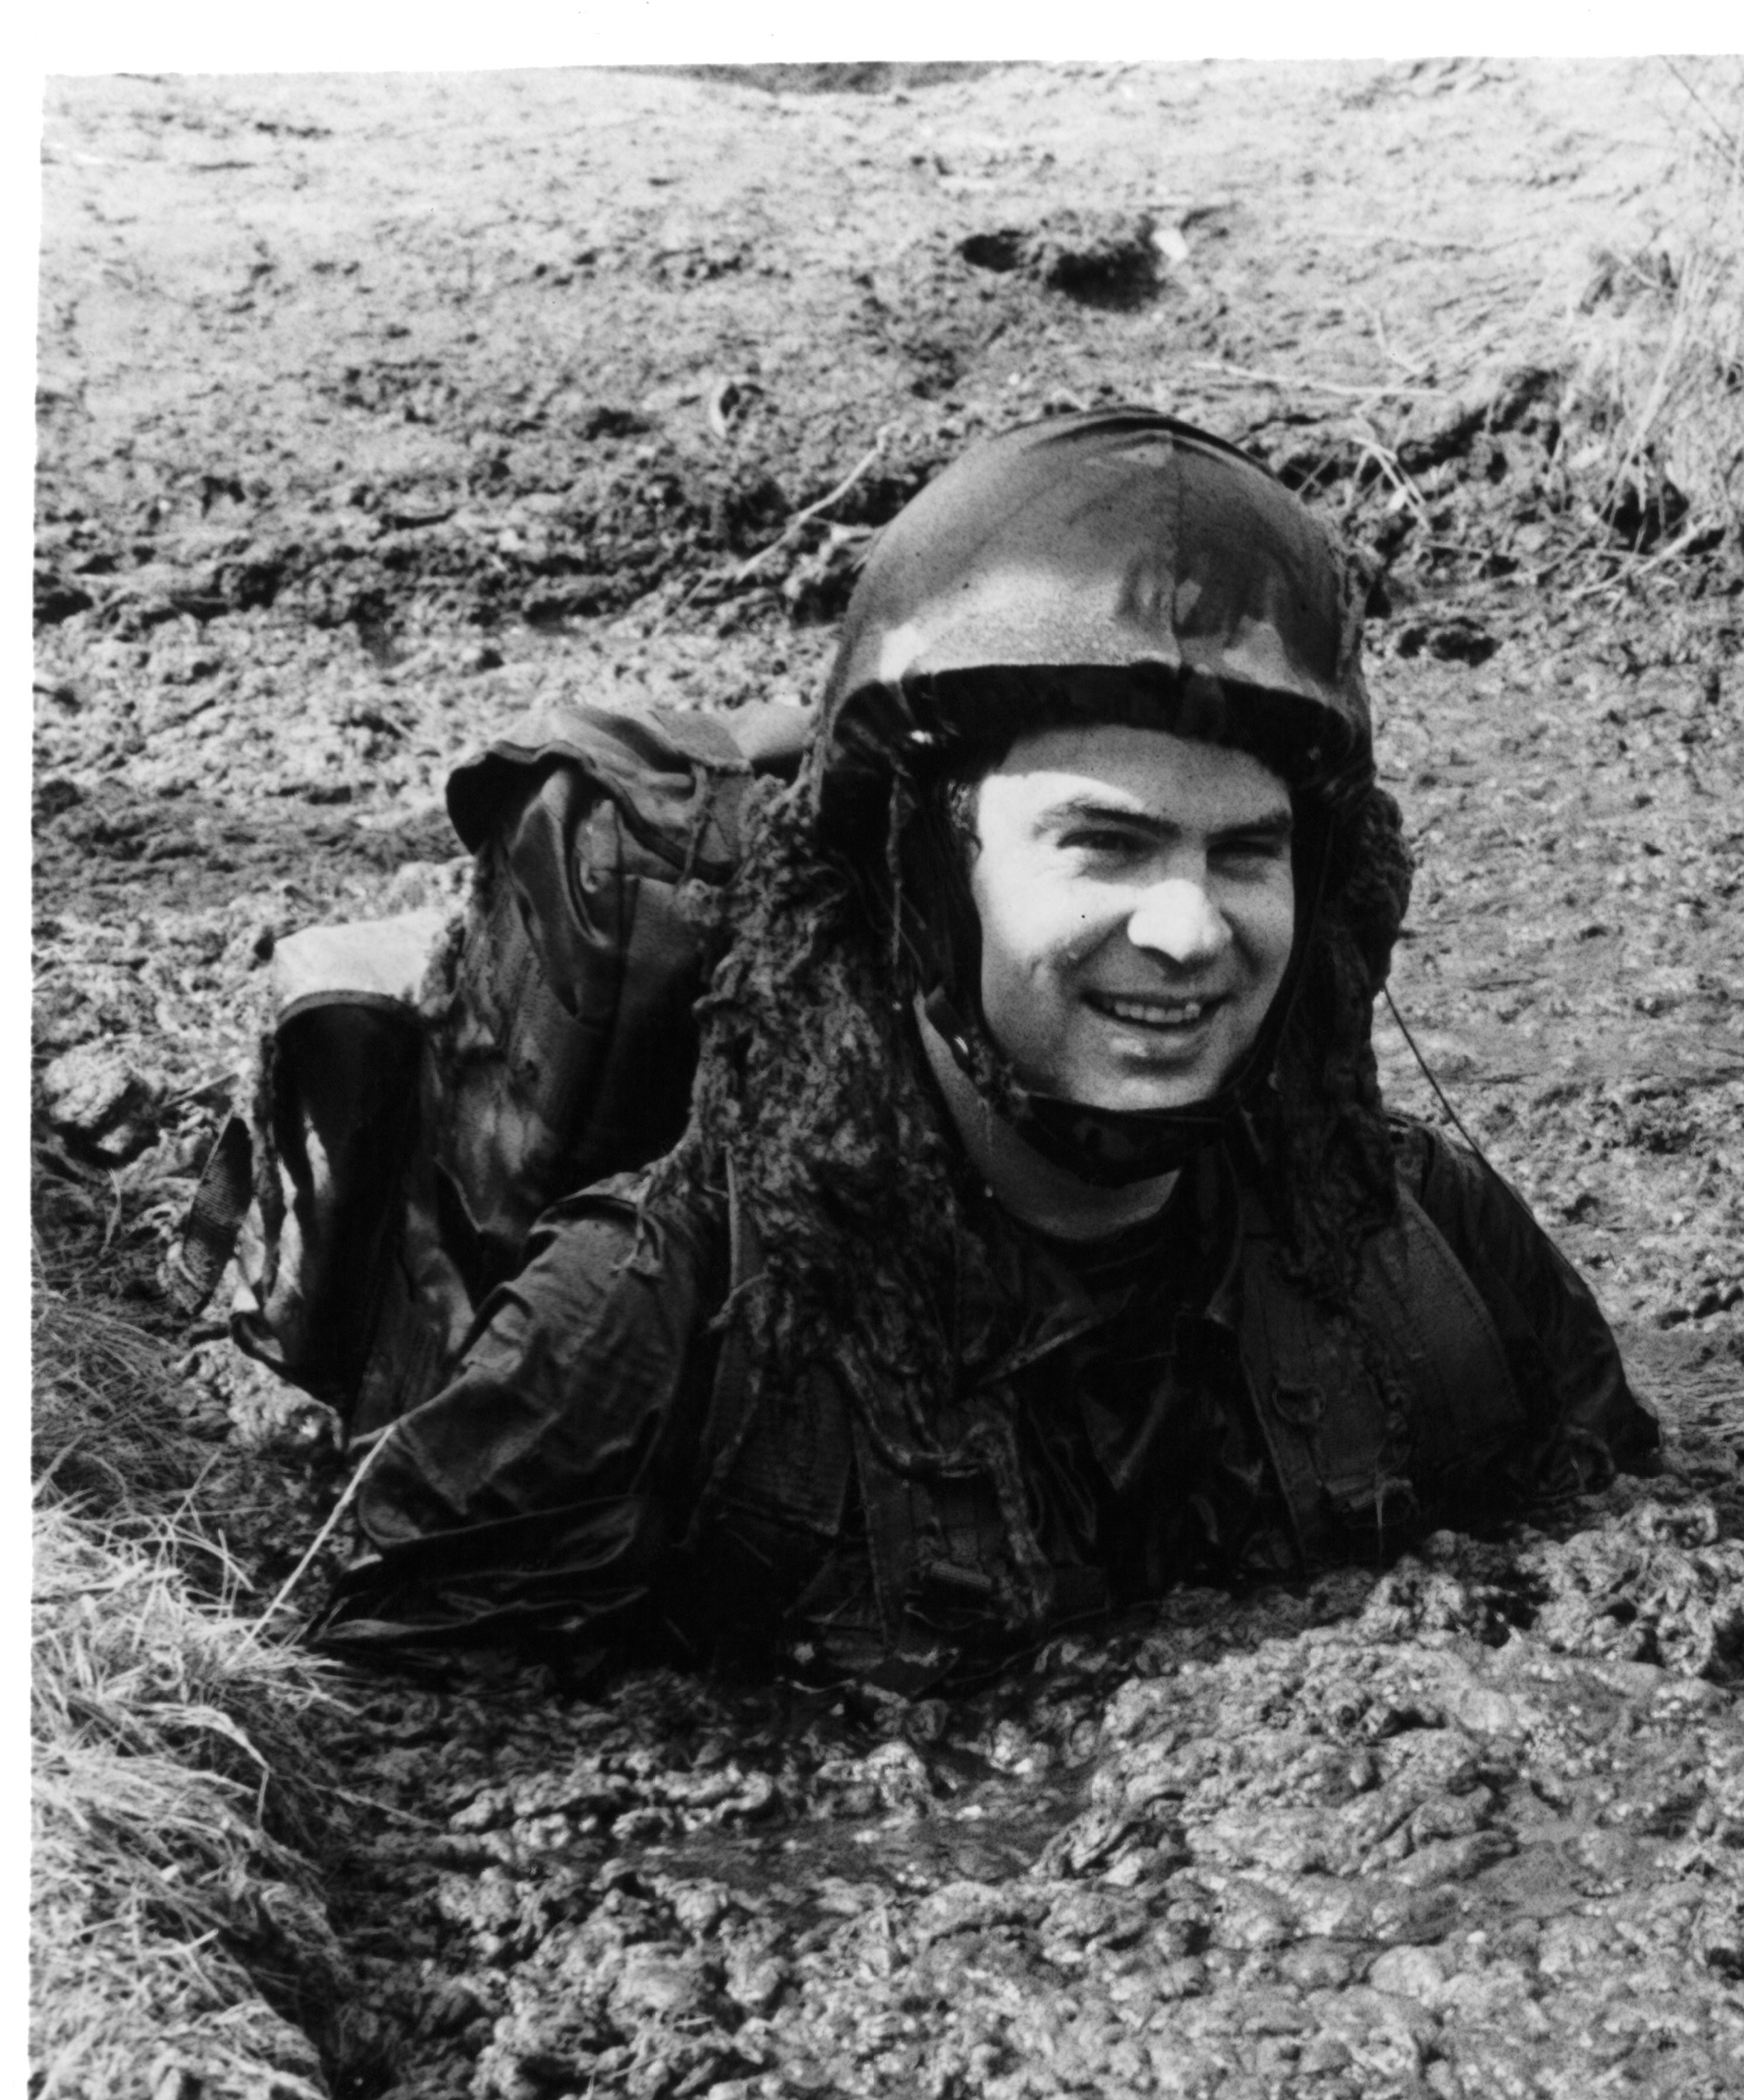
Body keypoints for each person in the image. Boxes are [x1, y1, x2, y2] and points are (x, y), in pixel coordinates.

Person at [322, 412, 1654, 1682]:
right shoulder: (662, 1311)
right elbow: (375, 1711)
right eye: (1106, 844)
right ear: (922, 872)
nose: (1191, 931)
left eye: (1245, 852)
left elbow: (1640, 1565)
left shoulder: (1422, 1245)